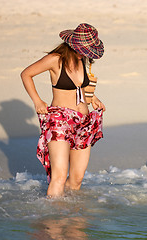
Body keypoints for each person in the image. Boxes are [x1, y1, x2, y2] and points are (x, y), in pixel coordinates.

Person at [21, 23, 105, 197]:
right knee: (59, 177)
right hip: (59, 121)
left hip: (84, 123)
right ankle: (53, 221)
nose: (86, 53)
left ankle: (69, 218)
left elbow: (80, 87)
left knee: (76, 179)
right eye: (84, 49)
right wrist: (37, 101)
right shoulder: (55, 59)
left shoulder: (83, 59)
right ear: (74, 45)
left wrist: (93, 98)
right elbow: (26, 74)